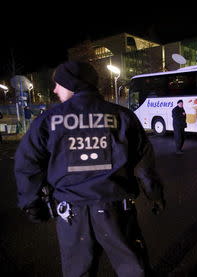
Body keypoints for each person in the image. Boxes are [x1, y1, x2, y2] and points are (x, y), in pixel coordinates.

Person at [14, 61, 165, 277]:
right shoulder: (122, 117)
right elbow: (143, 161)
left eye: (58, 85)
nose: (55, 90)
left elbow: (27, 164)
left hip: (71, 215)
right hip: (117, 212)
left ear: (72, 84)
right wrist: (154, 193)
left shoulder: (47, 121)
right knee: (134, 269)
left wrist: (31, 203)